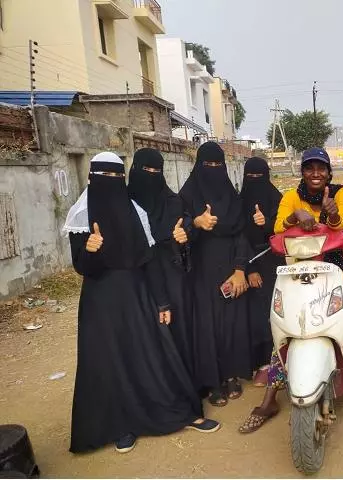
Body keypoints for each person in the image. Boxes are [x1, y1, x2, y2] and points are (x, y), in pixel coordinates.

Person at [238, 147, 343, 444]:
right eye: (309, 168)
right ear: (302, 171)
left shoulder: (341, 194)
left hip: (340, 275)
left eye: (321, 168)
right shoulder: (290, 197)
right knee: (285, 331)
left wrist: (332, 214)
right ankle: (269, 400)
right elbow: (277, 230)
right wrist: (293, 218)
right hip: (299, 277)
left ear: (329, 172)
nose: (315, 173)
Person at [62, 152, 219, 455]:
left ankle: (178, 413)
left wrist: (162, 303)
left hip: (138, 295)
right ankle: (122, 428)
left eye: (116, 177)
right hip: (101, 303)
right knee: (110, 363)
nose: (111, 184)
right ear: (92, 178)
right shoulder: (80, 216)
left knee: (153, 355)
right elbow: (83, 267)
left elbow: (148, 262)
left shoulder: (136, 212)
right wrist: (92, 250)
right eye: (104, 177)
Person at [174, 141, 252, 406]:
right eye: (208, 165)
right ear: (198, 166)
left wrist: (241, 270)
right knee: (206, 327)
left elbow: (242, 234)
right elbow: (179, 235)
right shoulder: (187, 196)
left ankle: (231, 375)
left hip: (231, 270)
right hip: (201, 273)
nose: (214, 170)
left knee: (232, 324)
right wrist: (195, 222)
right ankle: (212, 380)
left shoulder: (233, 198)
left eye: (219, 165)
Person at [128, 148, 194, 378]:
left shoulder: (173, 202)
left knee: (178, 333)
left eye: (157, 171)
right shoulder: (125, 205)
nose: (152, 175)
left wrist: (184, 236)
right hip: (137, 278)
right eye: (146, 170)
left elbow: (185, 228)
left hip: (170, 275)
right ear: (134, 169)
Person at [239, 157, 285, 386]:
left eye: (259, 177)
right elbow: (237, 239)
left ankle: (280, 361)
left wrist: (266, 223)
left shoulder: (278, 199)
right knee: (256, 317)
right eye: (251, 177)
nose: (255, 182)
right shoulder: (239, 202)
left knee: (277, 313)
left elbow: (284, 230)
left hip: (276, 264)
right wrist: (250, 269)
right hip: (252, 266)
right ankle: (262, 364)